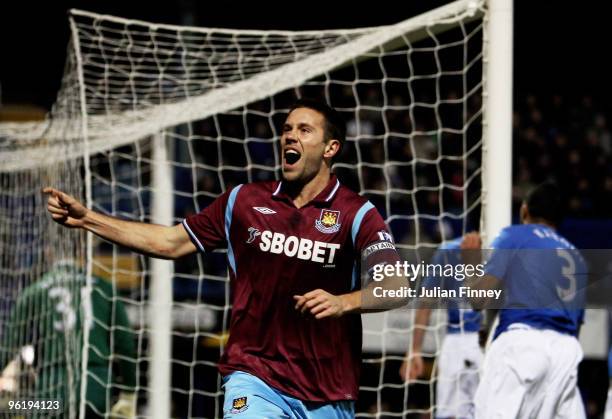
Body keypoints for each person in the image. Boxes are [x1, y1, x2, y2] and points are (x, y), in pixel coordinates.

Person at [43, 98, 404, 418]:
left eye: (304, 130)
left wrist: (343, 302)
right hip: (254, 376)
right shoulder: (243, 202)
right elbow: (171, 242)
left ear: (330, 148)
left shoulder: (358, 214)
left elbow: (396, 286)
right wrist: (88, 218)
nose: (290, 136)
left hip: (327, 391)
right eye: (287, 129)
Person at [461, 182, 587, 419]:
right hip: (566, 354)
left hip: (523, 343)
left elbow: (478, 299)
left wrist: (470, 261)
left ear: (524, 210)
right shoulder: (577, 256)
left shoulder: (515, 235)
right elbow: (576, 324)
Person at [0, 260, 137, 418]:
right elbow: (126, 345)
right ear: (82, 253)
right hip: (96, 390)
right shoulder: (104, 288)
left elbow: (8, 348)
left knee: (16, 406)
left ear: (50, 252)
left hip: (52, 393)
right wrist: (129, 393)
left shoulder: (35, 291)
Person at [399, 237, 483, 419]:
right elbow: (426, 301)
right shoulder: (449, 251)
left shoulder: (507, 248)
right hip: (458, 339)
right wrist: (414, 350)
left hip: (488, 339)